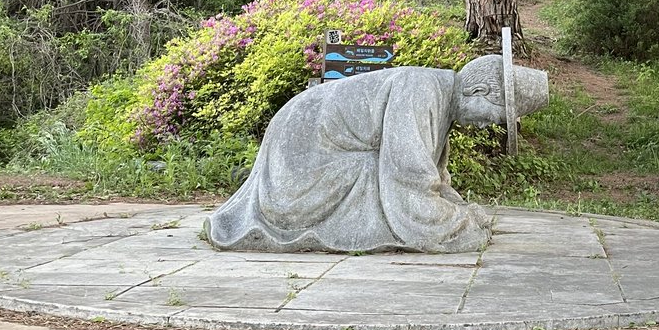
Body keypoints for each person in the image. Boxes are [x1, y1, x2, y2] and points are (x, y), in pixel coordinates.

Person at [205, 54, 548, 254]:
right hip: (297, 173)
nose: (488, 126)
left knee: (380, 167)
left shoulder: (437, 92)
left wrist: (457, 206)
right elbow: (408, 181)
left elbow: (432, 179)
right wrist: (461, 222)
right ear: (479, 90)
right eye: (495, 116)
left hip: (301, 159)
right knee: (377, 170)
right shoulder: (421, 89)